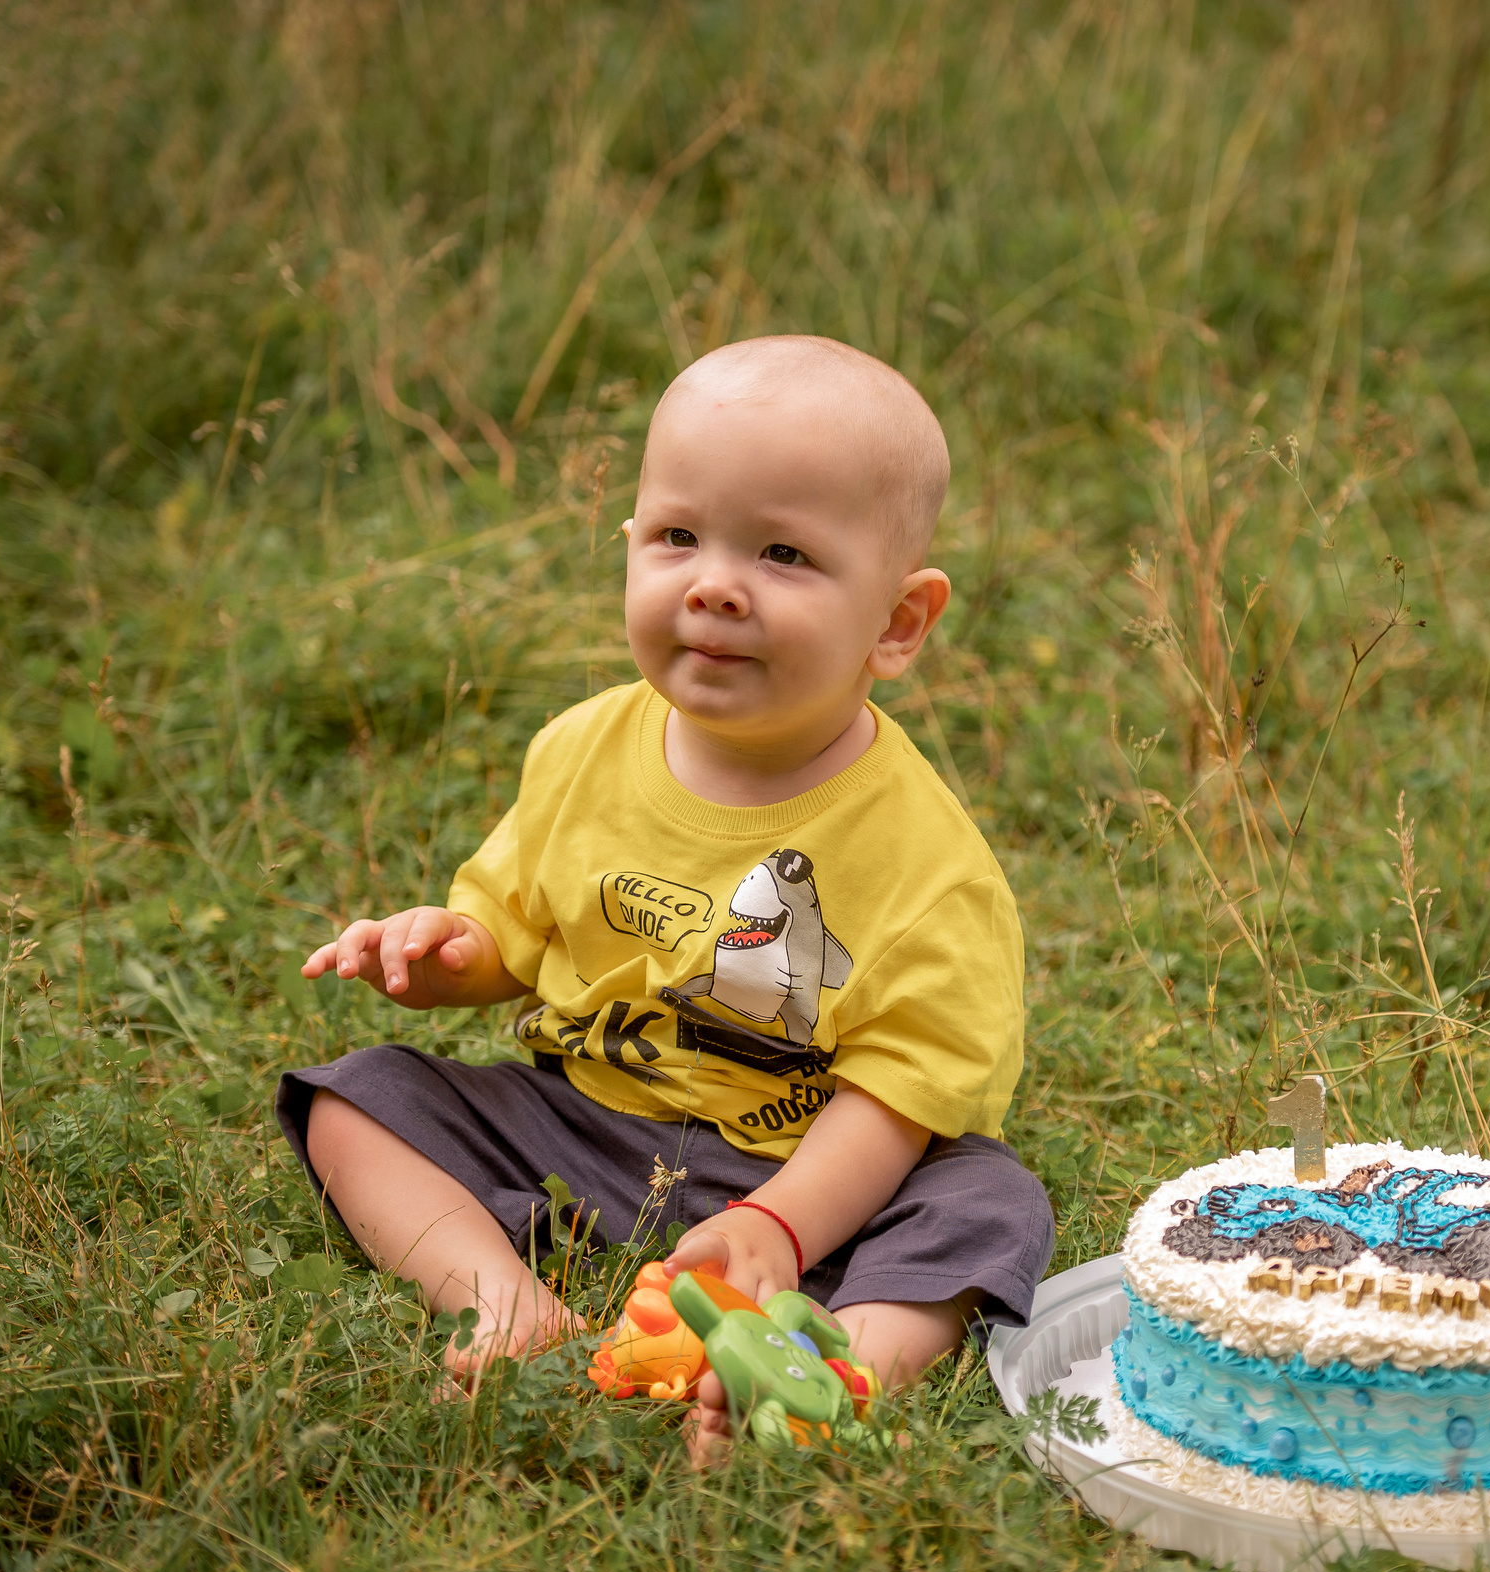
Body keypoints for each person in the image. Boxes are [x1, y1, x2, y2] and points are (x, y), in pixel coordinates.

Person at [283, 335, 1052, 1456]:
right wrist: (450, 952)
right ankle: (500, 1301)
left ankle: (824, 1373)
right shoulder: (585, 748)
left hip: (810, 1165)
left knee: (986, 1201)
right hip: (590, 1120)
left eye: (783, 553)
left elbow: (902, 1092)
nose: (714, 584)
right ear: (630, 544)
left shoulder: (927, 862)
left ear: (897, 623)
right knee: (357, 1099)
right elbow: (515, 929)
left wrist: (780, 1225)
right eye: (678, 537)